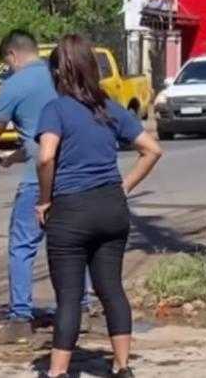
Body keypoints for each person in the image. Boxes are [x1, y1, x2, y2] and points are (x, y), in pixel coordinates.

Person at [35, 34, 162, 378]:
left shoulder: (55, 110)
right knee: (112, 290)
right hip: (111, 208)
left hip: (70, 212)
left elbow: (46, 157)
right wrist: (123, 186)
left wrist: (44, 201)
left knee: (70, 296)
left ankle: (58, 372)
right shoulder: (109, 107)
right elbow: (152, 150)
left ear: (59, 73)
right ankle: (122, 368)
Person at [0, 29, 81, 343]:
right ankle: (84, 309)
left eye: (7, 63)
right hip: (72, 173)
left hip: (39, 179)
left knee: (22, 245)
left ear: (12, 56)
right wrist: (16, 155)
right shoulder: (60, 78)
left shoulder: (13, 85)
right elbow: (48, 130)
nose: (8, 68)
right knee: (73, 245)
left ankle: (20, 318)